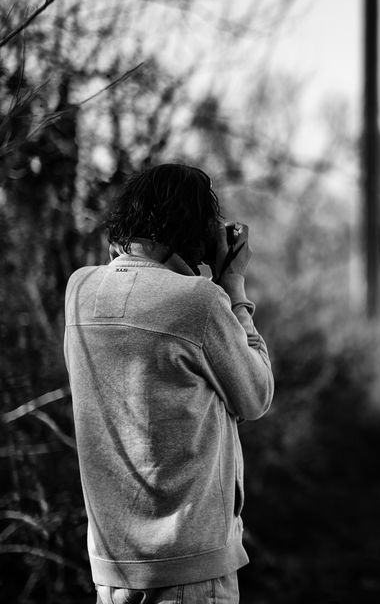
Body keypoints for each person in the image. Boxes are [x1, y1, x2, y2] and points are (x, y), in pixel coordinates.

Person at [63, 163, 273, 604]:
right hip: (190, 568)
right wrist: (233, 286)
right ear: (194, 231)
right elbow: (256, 395)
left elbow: (132, 283)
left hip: (113, 569)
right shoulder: (199, 301)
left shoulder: (79, 291)